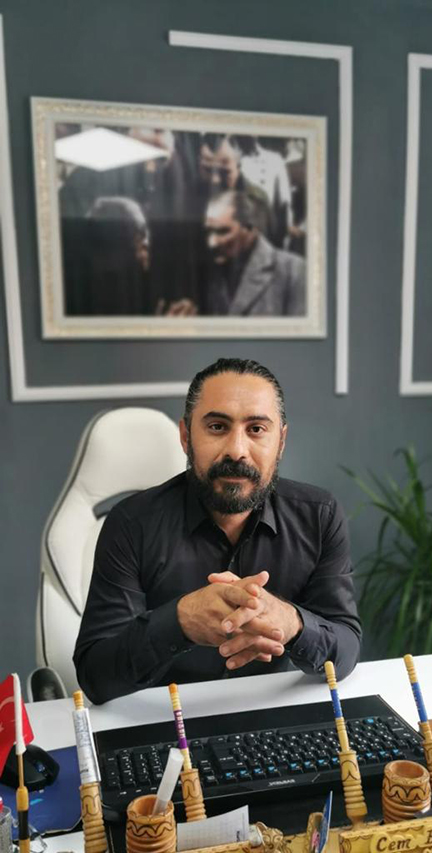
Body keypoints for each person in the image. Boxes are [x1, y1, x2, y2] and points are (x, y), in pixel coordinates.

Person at [74, 358, 362, 704]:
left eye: (256, 429)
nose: (237, 451)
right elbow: (95, 676)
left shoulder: (319, 516)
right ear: (186, 436)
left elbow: (346, 648)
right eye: (216, 427)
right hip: (163, 716)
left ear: (281, 441)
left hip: (270, 711)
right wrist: (179, 622)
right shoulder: (131, 524)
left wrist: (293, 623)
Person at [202, 191, 306, 316]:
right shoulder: (211, 272)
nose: (212, 243)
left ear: (250, 228)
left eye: (223, 231)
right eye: (208, 231)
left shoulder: (294, 271)